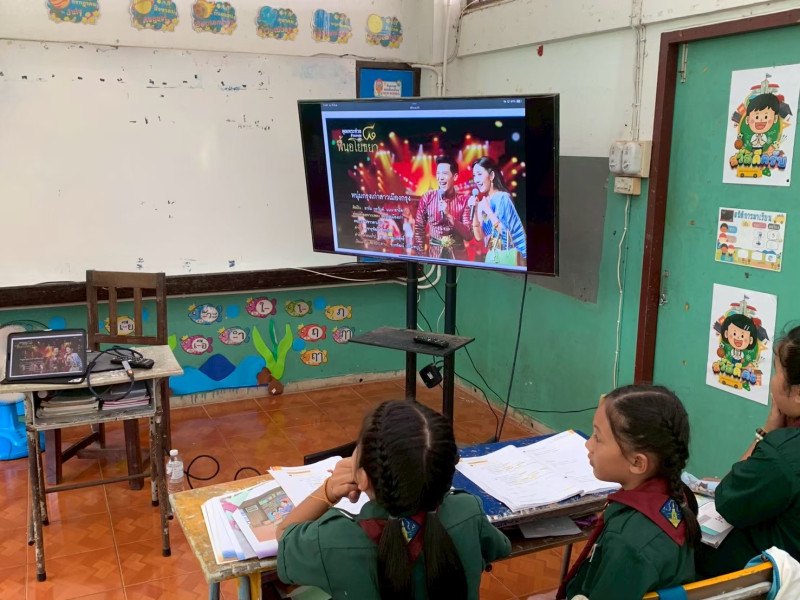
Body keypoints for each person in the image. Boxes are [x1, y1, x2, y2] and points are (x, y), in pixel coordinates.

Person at [277, 399, 511, 600]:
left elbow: (284, 534)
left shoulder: (330, 539)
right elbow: (500, 549)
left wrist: (327, 490)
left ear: (363, 478)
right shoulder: (468, 511)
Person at [555, 385, 698, 600]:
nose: (588, 445)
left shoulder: (628, 544)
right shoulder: (677, 495)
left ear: (637, 463)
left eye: (598, 437)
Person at [696, 324, 800, 577]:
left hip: (765, 578)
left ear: (798, 393)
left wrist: (767, 431)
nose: (773, 382)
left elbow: (726, 499)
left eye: (777, 372)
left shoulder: (782, 455)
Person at [414, 155, 473, 260]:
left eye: (444, 173)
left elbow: (468, 235)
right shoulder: (428, 197)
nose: (440, 177)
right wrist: (422, 257)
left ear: (455, 177)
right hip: (434, 257)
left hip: (458, 259)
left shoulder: (464, 201)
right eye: (438, 173)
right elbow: (419, 228)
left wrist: (449, 216)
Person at [470, 156, 527, 263]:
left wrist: (488, 211)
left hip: (508, 255)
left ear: (491, 175)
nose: (476, 180)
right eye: (474, 175)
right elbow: (479, 236)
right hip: (491, 255)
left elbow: (508, 234)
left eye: (479, 174)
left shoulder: (503, 198)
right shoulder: (482, 203)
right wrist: (475, 211)